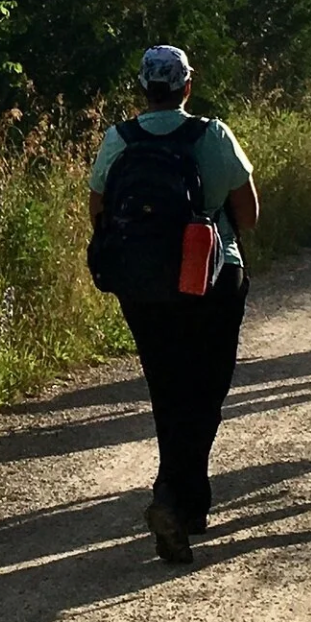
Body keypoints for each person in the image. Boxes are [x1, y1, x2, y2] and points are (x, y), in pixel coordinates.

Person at [88, 45, 259, 565]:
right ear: (187, 85)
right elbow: (247, 216)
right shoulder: (212, 134)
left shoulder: (118, 139)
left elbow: (99, 214)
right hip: (210, 275)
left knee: (167, 390)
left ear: (143, 88)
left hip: (142, 285)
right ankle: (177, 498)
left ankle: (183, 501)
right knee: (206, 390)